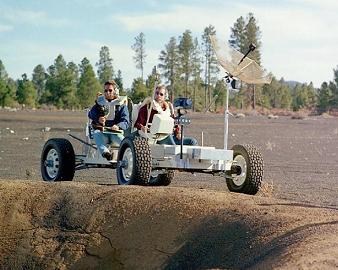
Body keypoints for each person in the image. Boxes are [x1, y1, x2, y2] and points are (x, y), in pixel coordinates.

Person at [88, 80, 129, 160]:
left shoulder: (121, 105)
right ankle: (106, 153)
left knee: (124, 142)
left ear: (115, 91)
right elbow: (91, 114)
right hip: (102, 132)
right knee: (96, 133)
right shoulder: (100, 103)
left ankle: (129, 158)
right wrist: (98, 119)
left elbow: (126, 121)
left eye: (110, 90)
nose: (107, 92)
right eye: (105, 90)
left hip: (115, 133)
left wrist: (118, 126)